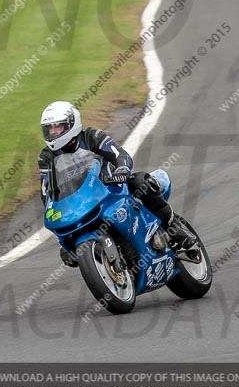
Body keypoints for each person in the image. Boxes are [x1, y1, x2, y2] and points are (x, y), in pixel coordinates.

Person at [38, 101, 197, 267]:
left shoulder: (91, 136)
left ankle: (174, 229)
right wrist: (55, 211)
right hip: (81, 202)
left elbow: (119, 154)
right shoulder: (46, 157)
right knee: (68, 254)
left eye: (58, 127)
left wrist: (121, 170)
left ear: (72, 123)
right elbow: (47, 191)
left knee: (142, 182)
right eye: (49, 129)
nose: (53, 132)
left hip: (112, 187)